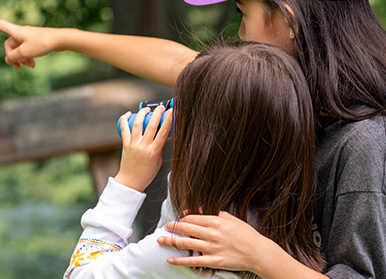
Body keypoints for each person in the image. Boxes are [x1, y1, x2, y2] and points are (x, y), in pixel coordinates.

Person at [0, 0, 386, 279]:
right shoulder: (267, 90)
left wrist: (262, 257)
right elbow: (174, 61)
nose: (239, 30)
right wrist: (63, 38)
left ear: (287, 19)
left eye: (243, 12)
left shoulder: (368, 144)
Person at [63, 41, 325, 279]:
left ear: (204, 141)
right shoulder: (297, 220)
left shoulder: (190, 244)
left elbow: (79, 275)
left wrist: (128, 183)